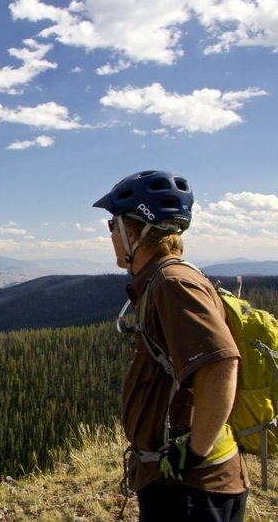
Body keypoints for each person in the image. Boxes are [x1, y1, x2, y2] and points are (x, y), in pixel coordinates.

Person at [93, 170, 249, 521]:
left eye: (112, 226)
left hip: (191, 489)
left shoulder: (173, 283)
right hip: (181, 484)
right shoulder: (166, 279)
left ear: (132, 231)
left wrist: (193, 452)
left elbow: (221, 362)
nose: (111, 236)